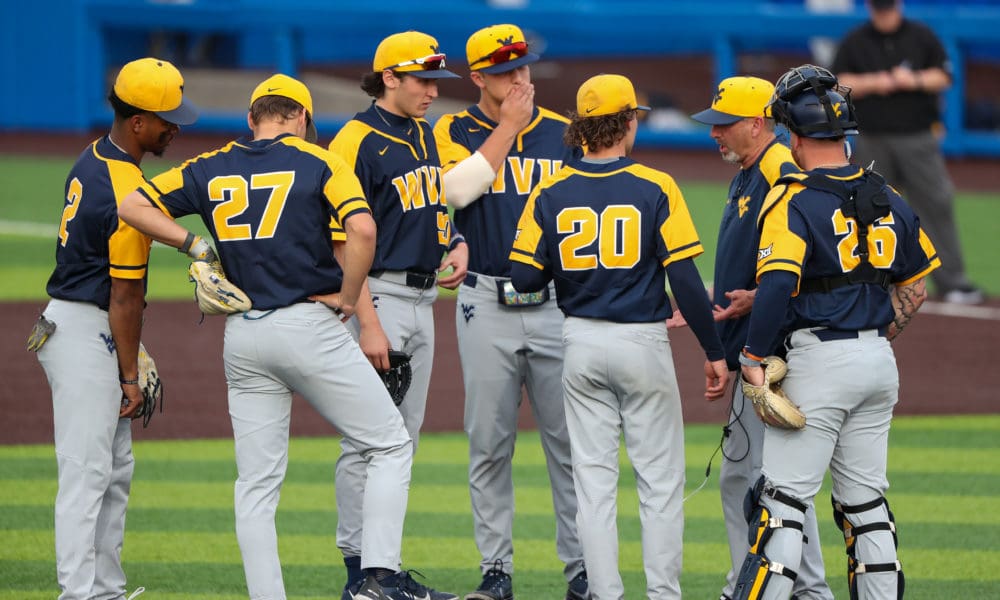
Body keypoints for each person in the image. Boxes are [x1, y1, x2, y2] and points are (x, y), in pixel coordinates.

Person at [118, 74, 449, 600]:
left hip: (243, 337)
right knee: (388, 443)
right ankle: (380, 579)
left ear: (252, 118)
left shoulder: (210, 164)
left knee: (256, 486)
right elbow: (363, 231)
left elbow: (133, 205)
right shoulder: (318, 160)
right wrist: (349, 298)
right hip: (307, 328)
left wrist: (195, 245)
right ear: (301, 118)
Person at [509, 73, 730, 600]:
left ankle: (604, 594)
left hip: (580, 343)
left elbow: (523, 279)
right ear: (628, 121)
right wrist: (714, 351)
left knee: (593, 486)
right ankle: (663, 594)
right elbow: (685, 281)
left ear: (581, 128)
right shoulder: (655, 185)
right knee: (659, 483)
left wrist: (570, 267)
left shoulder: (550, 190)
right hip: (641, 344)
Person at [732, 64, 939, 600]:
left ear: (792, 136)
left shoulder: (793, 198)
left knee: (781, 507)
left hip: (819, 364)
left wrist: (752, 357)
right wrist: (869, 341)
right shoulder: (887, 193)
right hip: (878, 364)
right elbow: (915, 288)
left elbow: (778, 284)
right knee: (866, 505)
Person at [29, 57, 197, 600]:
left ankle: (105, 590)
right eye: (168, 120)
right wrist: (129, 372)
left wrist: (125, 352)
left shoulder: (96, 155)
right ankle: (78, 594)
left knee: (114, 469)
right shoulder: (124, 192)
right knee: (86, 473)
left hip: (84, 324)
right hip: (85, 329)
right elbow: (125, 295)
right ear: (138, 122)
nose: (176, 129)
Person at [432, 23, 587, 600]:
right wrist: (508, 128)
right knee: (489, 445)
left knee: (570, 448)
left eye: (523, 67)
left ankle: (583, 571)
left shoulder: (565, 133)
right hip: (484, 301)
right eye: (504, 71)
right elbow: (455, 192)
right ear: (478, 77)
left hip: (556, 304)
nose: (519, 79)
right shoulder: (453, 129)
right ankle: (496, 572)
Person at [326, 31, 467, 599]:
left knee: (401, 440)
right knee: (369, 440)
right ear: (389, 78)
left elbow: (426, 208)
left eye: (436, 80)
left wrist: (454, 240)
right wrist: (368, 322)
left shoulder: (423, 133)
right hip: (379, 297)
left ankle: (380, 571)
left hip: (423, 301)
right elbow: (341, 240)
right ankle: (363, 573)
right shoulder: (354, 140)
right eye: (422, 80)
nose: (432, 91)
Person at [689, 77, 832, 600]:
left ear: (757, 123)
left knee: (768, 482)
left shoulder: (781, 170)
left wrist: (761, 296)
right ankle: (784, 586)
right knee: (755, 479)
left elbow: (813, 250)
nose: (715, 135)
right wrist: (714, 309)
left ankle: (783, 587)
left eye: (724, 125)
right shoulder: (748, 171)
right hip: (749, 347)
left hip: (773, 353)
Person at [832, 0, 982, 304]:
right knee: (869, 210)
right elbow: (837, 83)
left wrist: (912, 80)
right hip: (873, 138)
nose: (885, 14)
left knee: (935, 204)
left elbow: (944, 76)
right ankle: (872, 282)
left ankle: (952, 281)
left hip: (917, 137)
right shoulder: (855, 40)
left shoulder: (921, 35)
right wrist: (877, 82)